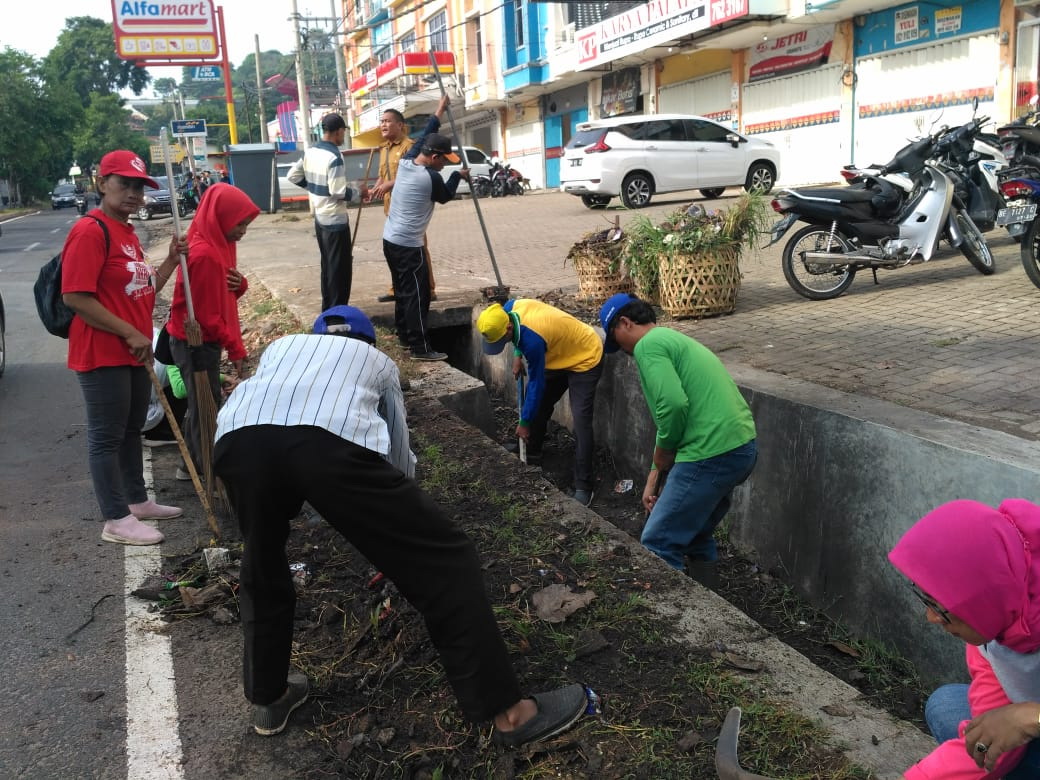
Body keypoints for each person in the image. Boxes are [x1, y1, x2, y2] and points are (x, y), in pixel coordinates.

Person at [213, 305, 589, 742]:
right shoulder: (378, 365)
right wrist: (397, 538)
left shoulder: (280, 350)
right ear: (368, 342)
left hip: (237, 438)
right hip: (324, 444)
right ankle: (510, 715)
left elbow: (278, 440)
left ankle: (269, 695)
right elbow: (394, 458)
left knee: (263, 560)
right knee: (447, 559)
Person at [60, 150, 187, 546]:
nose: (133, 193)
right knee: (106, 436)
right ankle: (115, 518)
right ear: (102, 183)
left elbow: (144, 291)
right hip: (102, 352)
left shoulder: (128, 234)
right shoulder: (89, 230)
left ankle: (137, 501)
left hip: (134, 350)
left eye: (139, 187)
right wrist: (130, 334)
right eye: (124, 184)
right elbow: (75, 297)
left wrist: (168, 262)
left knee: (133, 429)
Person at [598, 293, 757, 577]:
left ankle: (674, 620)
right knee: (695, 535)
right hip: (739, 448)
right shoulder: (672, 339)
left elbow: (672, 406)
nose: (622, 350)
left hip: (710, 451)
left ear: (625, 323)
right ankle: (710, 610)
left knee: (657, 540)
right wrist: (654, 477)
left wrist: (660, 462)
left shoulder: (648, 345)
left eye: (616, 339)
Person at [889, 498, 1040, 780]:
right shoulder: (996, 627)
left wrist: (1031, 718)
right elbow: (991, 739)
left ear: (983, 596)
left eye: (939, 604)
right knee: (948, 707)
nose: (931, 617)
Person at [165, 183, 259, 480]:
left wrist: (240, 284)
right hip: (195, 340)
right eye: (239, 222)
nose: (243, 230)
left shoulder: (220, 242)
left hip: (205, 338)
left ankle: (193, 461)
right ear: (220, 216)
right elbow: (207, 316)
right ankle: (203, 468)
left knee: (205, 399)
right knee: (205, 403)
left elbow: (221, 296)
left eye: (246, 223)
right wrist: (236, 348)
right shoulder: (205, 253)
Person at [476, 299, 603, 506]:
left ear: (507, 327)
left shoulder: (533, 341)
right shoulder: (508, 309)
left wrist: (524, 422)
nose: (503, 343)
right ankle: (532, 451)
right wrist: (518, 355)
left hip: (584, 356)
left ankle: (584, 485)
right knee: (541, 404)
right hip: (556, 351)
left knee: (580, 421)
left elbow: (537, 383)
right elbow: (518, 335)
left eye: (503, 340)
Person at [382, 95, 464, 361]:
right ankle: (419, 348)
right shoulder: (430, 178)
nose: (445, 164)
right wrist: (456, 176)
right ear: (433, 157)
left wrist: (439, 110)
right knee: (419, 296)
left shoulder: (408, 161)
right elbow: (446, 195)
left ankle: (404, 337)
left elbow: (426, 133)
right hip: (408, 246)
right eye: (444, 160)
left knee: (403, 291)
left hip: (390, 241)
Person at [287, 113, 368, 309]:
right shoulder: (335, 156)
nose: (343, 136)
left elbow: (293, 176)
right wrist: (359, 192)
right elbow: (338, 191)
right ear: (339, 131)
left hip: (320, 218)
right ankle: (337, 311)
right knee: (339, 269)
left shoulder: (310, 151)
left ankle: (328, 308)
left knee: (328, 266)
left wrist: (316, 189)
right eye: (343, 132)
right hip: (335, 220)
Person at [369, 106, 438, 304]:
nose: (383, 124)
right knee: (394, 250)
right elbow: (383, 177)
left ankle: (429, 289)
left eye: (388, 121)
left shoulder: (409, 146)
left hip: (409, 208)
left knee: (419, 249)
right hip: (391, 208)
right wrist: (375, 189)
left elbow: (413, 175)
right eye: (381, 121)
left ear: (400, 125)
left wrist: (388, 185)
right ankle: (396, 289)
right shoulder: (383, 149)